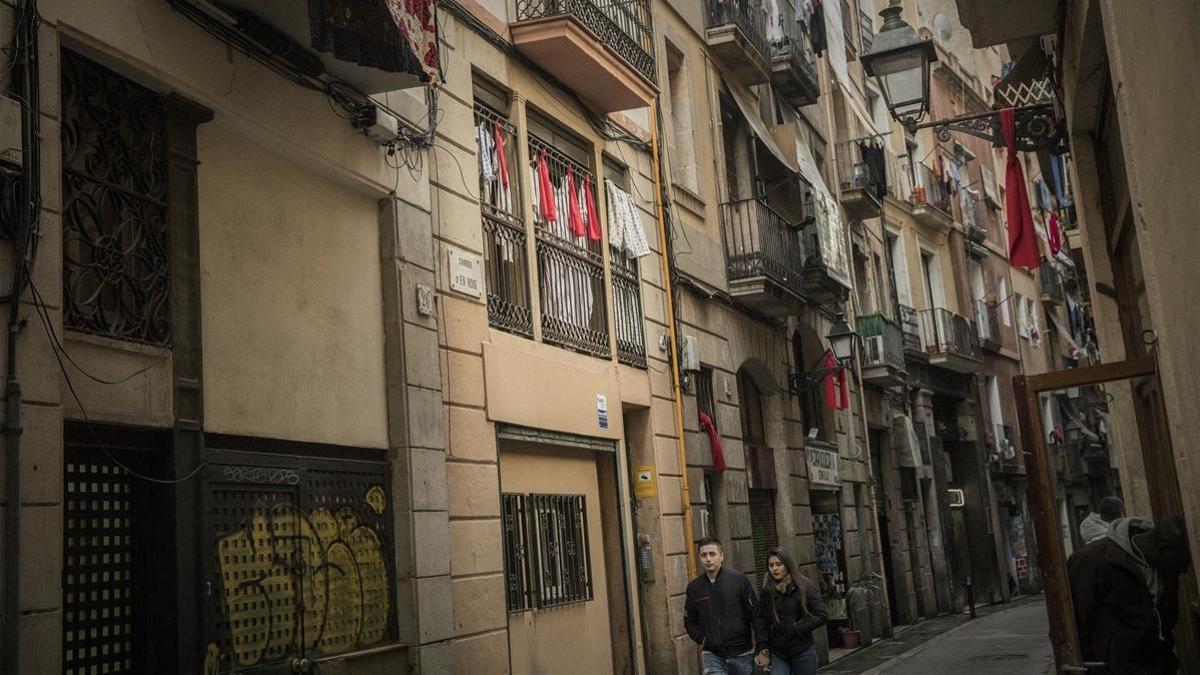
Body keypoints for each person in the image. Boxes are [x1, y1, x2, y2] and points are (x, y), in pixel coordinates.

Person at [1067, 515, 1191, 673]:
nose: (1176, 572)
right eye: (1175, 566)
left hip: (1155, 665)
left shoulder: (1164, 566)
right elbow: (1075, 624)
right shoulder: (1093, 560)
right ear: (1160, 549)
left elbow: (1168, 618)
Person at [684, 537, 765, 675]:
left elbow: (756, 615)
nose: (708, 559)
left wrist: (762, 647)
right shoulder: (694, 588)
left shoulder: (738, 580)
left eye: (712, 554)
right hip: (712, 654)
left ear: (721, 556)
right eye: (704, 555)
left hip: (742, 653)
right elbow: (689, 620)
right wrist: (703, 638)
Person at [753, 547, 827, 675]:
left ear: (787, 565)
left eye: (778, 564)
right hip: (778, 652)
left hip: (802, 650)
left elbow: (822, 615)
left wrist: (797, 628)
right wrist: (762, 649)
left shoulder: (803, 586)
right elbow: (761, 622)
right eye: (771, 565)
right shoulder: (767, 591)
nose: (775, 569)